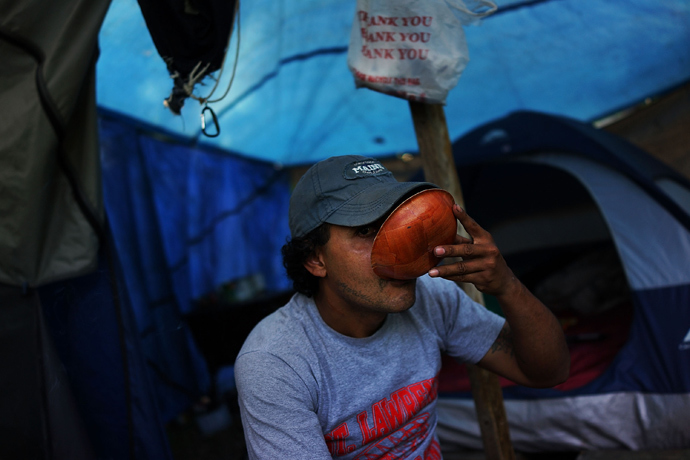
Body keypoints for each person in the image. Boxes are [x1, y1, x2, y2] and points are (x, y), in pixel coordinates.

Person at [235, 155, 570, 459]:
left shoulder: (432, 297)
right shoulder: (274, 364)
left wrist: (507, 286)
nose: (401, 248)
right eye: (366, 230)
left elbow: (548, 371)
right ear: (314, 258)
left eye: (398, 224)